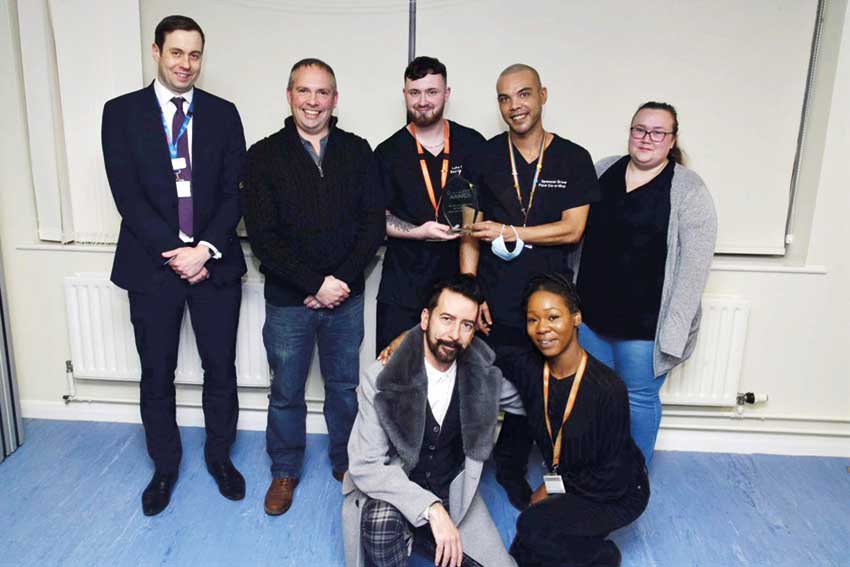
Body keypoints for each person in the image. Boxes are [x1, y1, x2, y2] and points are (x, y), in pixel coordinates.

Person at [101, 15, 247, 516]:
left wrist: (204, 249)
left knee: (220, 370)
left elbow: (234, 193)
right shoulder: (120, 113)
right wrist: (178, 253)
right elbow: (129, 197)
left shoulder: (225, 114)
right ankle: (165, 467)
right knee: (156, 373)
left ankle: (220, 458)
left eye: (195, 54)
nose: (186, 64)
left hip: (214, 265)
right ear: (156, 52)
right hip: (151, 266)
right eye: (177, 53)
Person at [241, 58, 385, 516]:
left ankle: (346, 462)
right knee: (285, 389)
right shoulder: (263, 155)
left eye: (322, 93)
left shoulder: (358, 151)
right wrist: (313, 284)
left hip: (345, 298)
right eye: (304, 91)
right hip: (289, 301)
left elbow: (371, 226)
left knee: (344, 387)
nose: (313, 101)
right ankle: (284, 470)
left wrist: (337, 282)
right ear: (289, 96)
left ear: (335, 100)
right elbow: (264, 237)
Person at [460, 63, 600, 507]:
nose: (514, 106)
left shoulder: (574, 158)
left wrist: (514, 231)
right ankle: (465, 465)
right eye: (504, 98)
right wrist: (469, 291)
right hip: (493, 296)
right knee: (483, 383)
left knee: (535, 389)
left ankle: (512, 466)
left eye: (523, 95)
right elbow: (469, 228)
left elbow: (573, 228)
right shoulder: (483, 156)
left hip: (548, 301)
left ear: (542, 94)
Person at [342, 275, 524, 567]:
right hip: (394, 492)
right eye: (447, 319)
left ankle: (426, 541)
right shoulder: (381, 376)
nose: (454, 334)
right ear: (425, 319)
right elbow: (366, 466)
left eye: (466, 325)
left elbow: (531, 402)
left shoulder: (481, 376)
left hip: (453, 493)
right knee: (379, 525)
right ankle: (412, 540)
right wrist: (431, 509)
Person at [576, 102, 717, 463]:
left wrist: (675, 331)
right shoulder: (603, 170)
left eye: (658, 132)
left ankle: (632, 480)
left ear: (672, 140)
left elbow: (694, 269)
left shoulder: (688, 189)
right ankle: (596, 472)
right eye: (639, 129)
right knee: (594, 398)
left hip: (646, 328)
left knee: (637, 401)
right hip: (591, 319)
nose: (646, 138)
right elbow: (576, 236)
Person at [505, 274, 649, 567]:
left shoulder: (607, 388)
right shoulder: (529, 368)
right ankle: (585, 546)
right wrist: (413, 335)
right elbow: (479, 352)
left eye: (553, 317)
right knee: (523, 553)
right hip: (574, 478)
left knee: (531, 527)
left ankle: (603, 557)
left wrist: (552, 488)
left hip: (617, 491)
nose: (542, 328)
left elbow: (613, 474)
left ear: (576, 318)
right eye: (533, 320)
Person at [374, 56, 485, 354]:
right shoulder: (387, 152)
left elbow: (483, 214)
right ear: (405, 95)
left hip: (458, 289)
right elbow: (375, 219)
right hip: (403, 289)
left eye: (432, 92)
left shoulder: (473, 144)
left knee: (455, 381)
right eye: (415, 93)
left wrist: (473, 288)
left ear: (447, 93)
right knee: (394, 375)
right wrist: (418, 232)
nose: (423, 101)